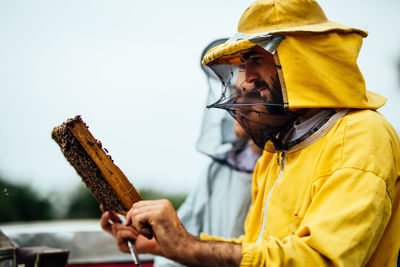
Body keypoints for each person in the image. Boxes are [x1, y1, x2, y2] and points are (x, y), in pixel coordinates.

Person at [105, 0, 400, 266]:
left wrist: (188, 246)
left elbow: (318, 259)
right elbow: (256, 247)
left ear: (301, 58)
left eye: (255, 58)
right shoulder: (279, 150)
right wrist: (163, 245)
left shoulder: (361, 135)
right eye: (244, 64)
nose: (247, 78)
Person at [100, 39, 262, 267]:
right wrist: (148, 238)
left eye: (250, 92)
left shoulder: (288, 165)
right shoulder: (217, 171)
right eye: (235, 91)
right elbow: (185, 238)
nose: (234, 103)